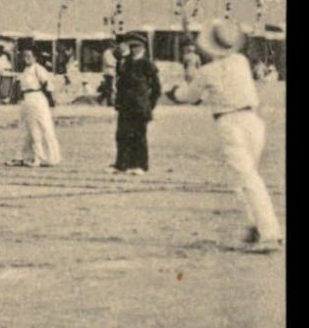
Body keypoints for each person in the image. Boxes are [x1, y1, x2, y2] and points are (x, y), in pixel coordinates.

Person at [165, 19, 282, 252]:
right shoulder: (240, 61)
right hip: (253, 122)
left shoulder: (207, 72)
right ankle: (254, 225)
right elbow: (217, 87)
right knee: (244, 178)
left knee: (247, 179)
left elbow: (188, 96)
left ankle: (270, 233)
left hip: (230, 123)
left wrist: (173, 91)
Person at [110, 33, 160, 175]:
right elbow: (121, 83)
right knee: (122, 135)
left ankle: (141, 165)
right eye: (131, 46)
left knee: (139, 136)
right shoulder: (127, 62)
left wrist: (149, 105)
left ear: (142, 47)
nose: (132, 49)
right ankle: (121, 164)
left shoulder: (147, 64)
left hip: (139, 106)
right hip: (125, 106)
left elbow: (156, 88)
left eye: (135, 46)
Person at [8, 45, 62, 167]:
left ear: (35, 57)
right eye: (24, 56)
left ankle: (41, 157)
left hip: (37, 99)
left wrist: (52, 98)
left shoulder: (38, 69)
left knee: (38, 128)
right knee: (25, 128)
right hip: (27, 100)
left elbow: (48, 84)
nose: (26, 58)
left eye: (29, 56)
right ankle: (23, 156)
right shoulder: (25, 70)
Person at [98, 42, 118, 106]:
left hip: (111, 72)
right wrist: (116, 64)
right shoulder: (107, 53)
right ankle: (108, 102)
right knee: (109, 88)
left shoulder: (110, 53)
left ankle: (102, 99)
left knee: (109, 88)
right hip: (108, 72)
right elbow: (109, 62)